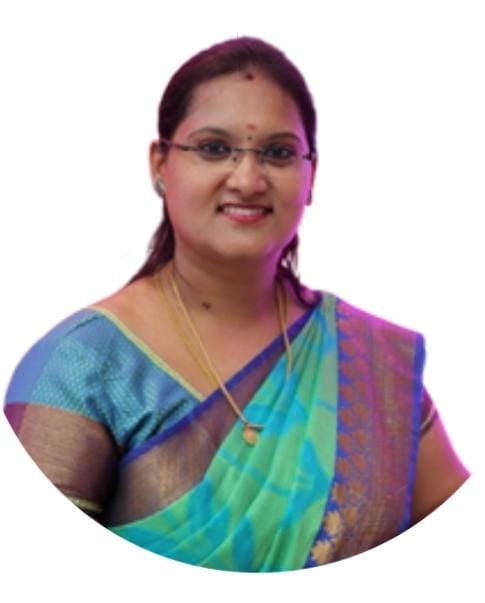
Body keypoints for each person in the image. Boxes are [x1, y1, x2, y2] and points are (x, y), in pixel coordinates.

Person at [3, 36, 469, 572]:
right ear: (160, 165)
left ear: (311, 175)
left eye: (278, 153)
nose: (247, 180)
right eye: (213, 148)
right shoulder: (78, 368)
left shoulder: (370, 367)